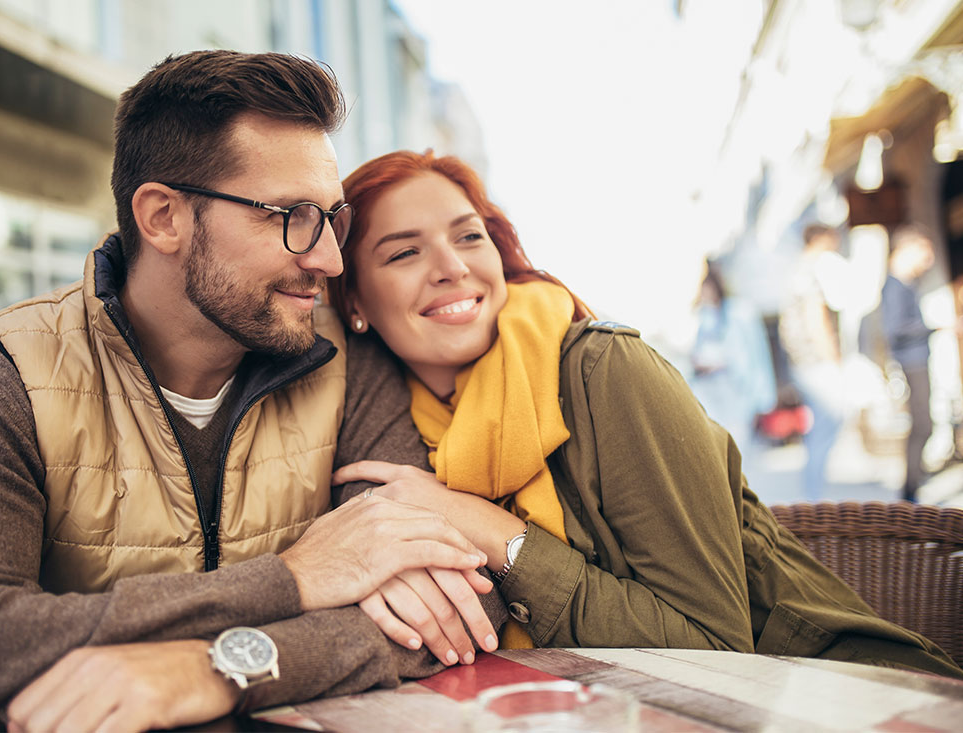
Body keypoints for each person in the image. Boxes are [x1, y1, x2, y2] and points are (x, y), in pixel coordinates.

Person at [0, 52, 504, 733]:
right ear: (164, 217)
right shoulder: (5, 377)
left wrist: (225, 666)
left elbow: (457, 605)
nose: (329, 259)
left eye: (331, 219)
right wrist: (292, 579)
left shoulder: (346, 366)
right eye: (290, 215)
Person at [325, 150, 962, 677]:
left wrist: (494, 534)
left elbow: (712, 647)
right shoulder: (399, 428)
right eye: (404, 253)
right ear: (354, 300)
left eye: (470, 236)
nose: (453, 267)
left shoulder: (601, 372)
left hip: (830, 689)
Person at [778, 224, 850, 499]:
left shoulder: (799, 270)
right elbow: (815, 318)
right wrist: (834, 359)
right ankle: (815, 496)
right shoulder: (809, 271)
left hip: (804, 360)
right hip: (815, 360)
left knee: (823, 425)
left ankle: (815, 492)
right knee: (827, 423)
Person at [688, 259, 777, 461]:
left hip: (734, 388)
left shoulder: (738, 313)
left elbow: (752, 354)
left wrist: (761, 393)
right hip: (709, 387)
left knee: (736, 443)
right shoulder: (703, 315)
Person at [881, 224, 937, 501]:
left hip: (917, 359)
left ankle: (913, 483)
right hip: (910, 361)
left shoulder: (906, 283)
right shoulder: (894, 285)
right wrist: (936, 326)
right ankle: (910, 488)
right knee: (922, 424)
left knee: (924, 423)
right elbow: (895, 328)